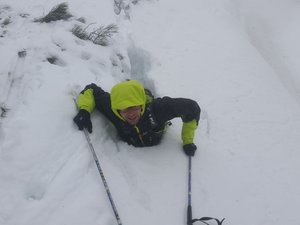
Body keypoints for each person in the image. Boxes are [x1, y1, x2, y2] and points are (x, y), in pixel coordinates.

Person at [73, 80, 200, 156]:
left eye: (135, 107)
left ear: (141, 104)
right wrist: (84, 110)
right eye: (125, 109)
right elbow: (91, 89)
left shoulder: (158, 109)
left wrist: (188, 141)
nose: (131, 113)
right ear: (117, 108)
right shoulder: (113, 109)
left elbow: (192, 108)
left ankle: (144, 93)